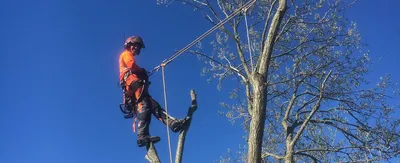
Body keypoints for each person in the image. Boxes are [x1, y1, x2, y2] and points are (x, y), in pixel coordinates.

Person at [119, 36, 190, 147]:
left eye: (138, 47)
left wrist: (143, 73)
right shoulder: (125, 54)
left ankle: (172, 123)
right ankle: (142, 136)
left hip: (136, 85)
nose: (137, 48)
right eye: (135, 45)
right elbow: (131, 65)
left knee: (154, 105)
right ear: (129, 45)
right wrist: (142, 71)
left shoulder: (128, 56)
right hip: (133, 83)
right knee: (146, 105)